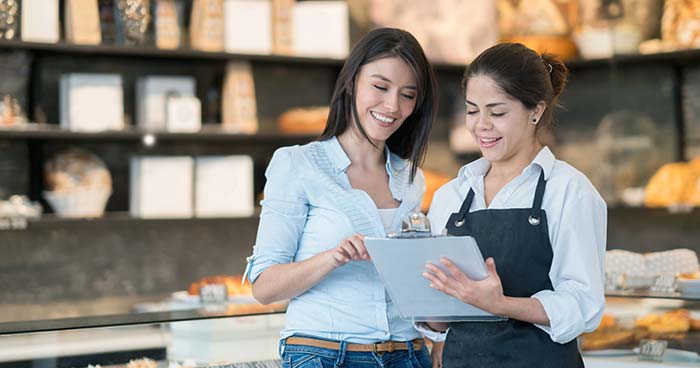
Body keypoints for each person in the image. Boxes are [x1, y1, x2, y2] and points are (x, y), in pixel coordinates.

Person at [246, 28, 438, 368]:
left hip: (408, 354)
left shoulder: (412, 180)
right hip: (323, 355)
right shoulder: (297, 165)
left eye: (408, 95)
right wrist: (333, 257)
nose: (392, 106)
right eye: (380, 87)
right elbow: (264, 287)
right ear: (351, 82)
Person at [422, 43, 607, 368]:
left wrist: (502, 304)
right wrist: (431, 305)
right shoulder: (449, 197)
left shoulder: (568, 190)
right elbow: (442, 323)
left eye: (497, 112)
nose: (481, 125)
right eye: (472, 110)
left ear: (535, 111)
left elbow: (583, 305)